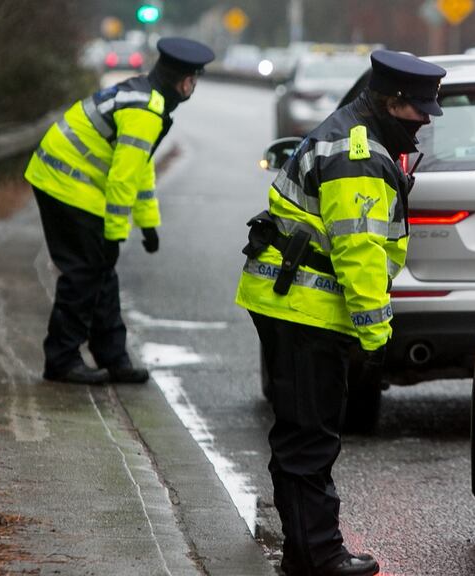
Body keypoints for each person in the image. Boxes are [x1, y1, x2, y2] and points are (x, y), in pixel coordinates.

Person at [235, 50, 446, 576]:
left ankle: (303, 551)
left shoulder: (352, 133)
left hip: (289, 302)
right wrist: (376, 339)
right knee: (311, 436)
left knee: (298, 433)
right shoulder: (358, 156)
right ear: (393, 102)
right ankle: (320, 555)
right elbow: (359, 253)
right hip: (307, 308)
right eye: (419, 113)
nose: (423, 125)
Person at [24, 37, 214, 384]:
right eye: (195, 80)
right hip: (66, 184)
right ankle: (61, 361)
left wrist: (148, 223)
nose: (194, 87)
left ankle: (113, 356)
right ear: (185, 82)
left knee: (101, 272)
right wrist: (115, 234)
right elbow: (122, 180)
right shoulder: (145, 112)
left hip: (64, 178)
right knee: (84, 273)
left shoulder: (145, 96)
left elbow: (139, 169)